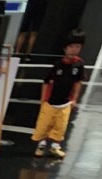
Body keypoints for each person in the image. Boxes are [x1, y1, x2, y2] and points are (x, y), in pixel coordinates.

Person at [31, 30, 86, 160]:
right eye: (71, 46)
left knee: (61, 126)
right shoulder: (57, 65)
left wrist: (74, 99)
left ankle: (55, 146)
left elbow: (78, 82)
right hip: (50, 102)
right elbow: (46, 81)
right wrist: (43, 98)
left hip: (65, 102)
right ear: (65, 48)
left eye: (77, 47)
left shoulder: (79, 65)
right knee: (44, 125)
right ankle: (41, 145)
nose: (74, 50)